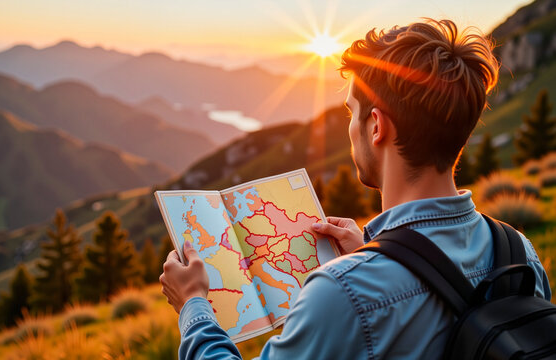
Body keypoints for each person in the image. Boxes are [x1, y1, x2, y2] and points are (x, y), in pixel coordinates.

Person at [159, 19, 552, 359]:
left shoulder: (343, 293)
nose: (350, 125)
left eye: (351, 112)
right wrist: (372, 251)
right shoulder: (521, 253)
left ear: (377, 126)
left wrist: (194, 304)